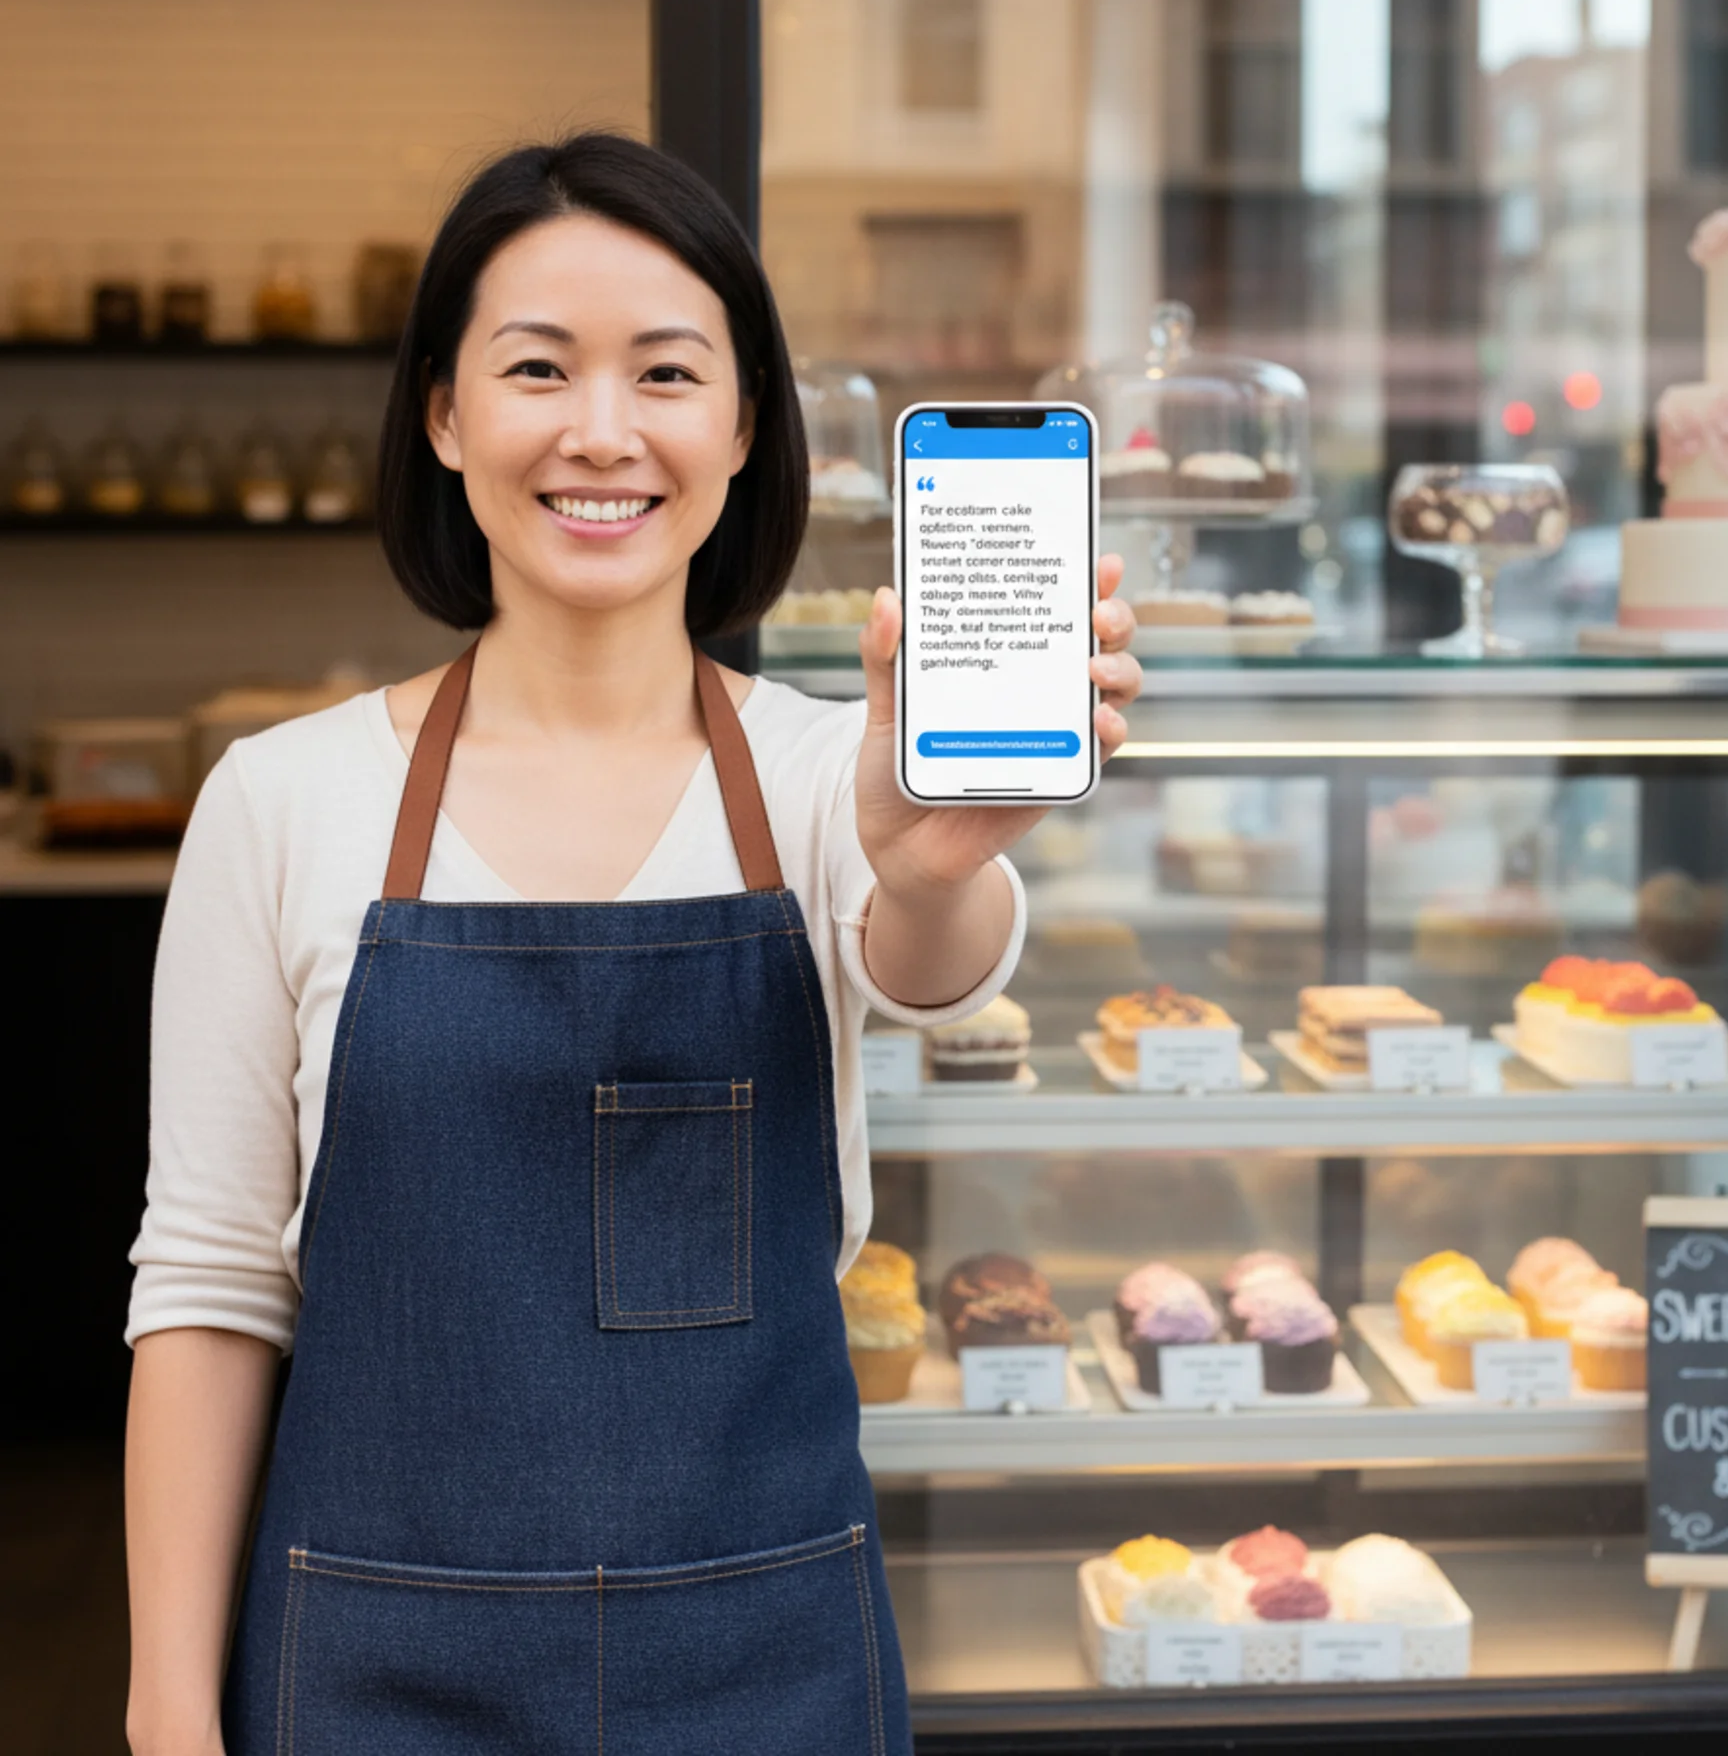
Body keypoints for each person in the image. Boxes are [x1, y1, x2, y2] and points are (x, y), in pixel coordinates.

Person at [122, 133, 1142, 1755]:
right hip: (370, 1655)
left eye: (668, 373)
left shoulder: (828, 778)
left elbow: (933, 957)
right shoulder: (281, 801)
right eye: (539, 368)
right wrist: (167, 1710)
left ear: (743, 426)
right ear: (446, 415)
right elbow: (211, 1283)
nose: (603, 431)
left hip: (767, 1651)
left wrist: (932, 857)